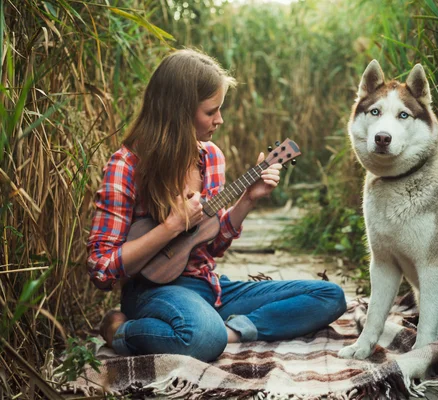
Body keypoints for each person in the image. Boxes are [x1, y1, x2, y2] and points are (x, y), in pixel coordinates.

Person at [87, 49, 347, 362]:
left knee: (329, 296)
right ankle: (121, 330)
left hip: (210, 286)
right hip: (153, 291)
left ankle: (230, 331)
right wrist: (171, 226)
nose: (219, 120)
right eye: (211, 111)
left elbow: (211, 244)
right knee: (202, 336)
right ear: (179, 112)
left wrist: (249, 199)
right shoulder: (126, 166)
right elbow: (102, 269)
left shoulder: (211, 157)